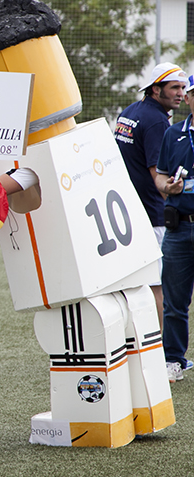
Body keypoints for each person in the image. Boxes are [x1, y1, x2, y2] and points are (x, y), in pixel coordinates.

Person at [114, 62, 188, 330]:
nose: (180, 93)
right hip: (152, 213)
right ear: (156, 89)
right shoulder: (157, 121)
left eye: (182, 88)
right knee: (156, 285)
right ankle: (158, 351)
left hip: (130, 210)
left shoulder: (131, 111)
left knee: (135, 284)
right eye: (174, 88)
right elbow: (159, 175)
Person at [154, 74, 194, 383]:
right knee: (174, 302)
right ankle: (173, 359)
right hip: (179, 229)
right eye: (190, 93)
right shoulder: (173, 134)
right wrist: (168, 186)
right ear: (190, 100)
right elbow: (160, 177)